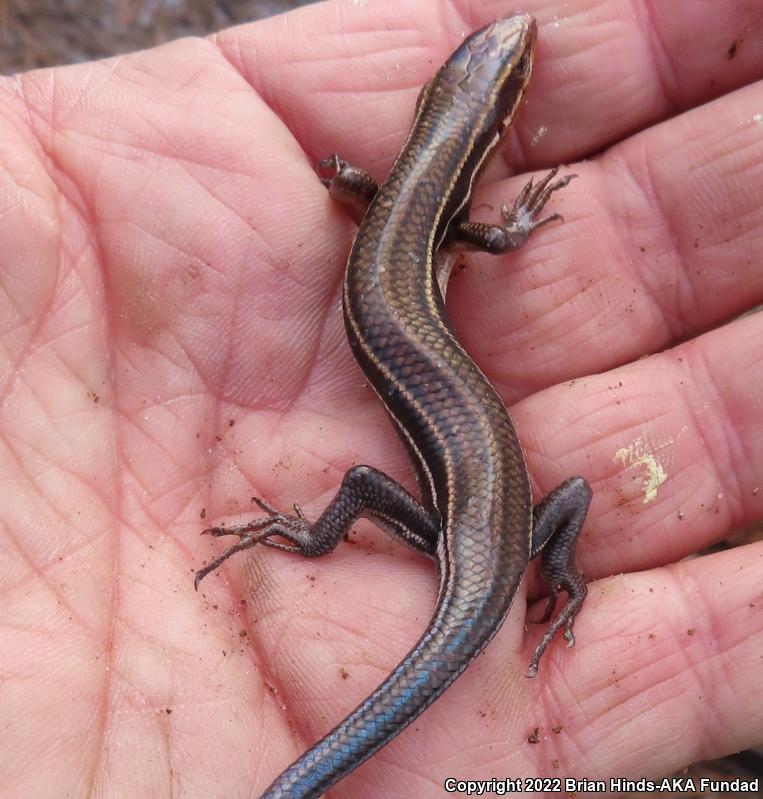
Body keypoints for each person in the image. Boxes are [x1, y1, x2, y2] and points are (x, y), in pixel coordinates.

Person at [1, 1, 761, 796]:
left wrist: (344, 180)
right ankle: (551, 571)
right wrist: (555, 567)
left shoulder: (400, 195)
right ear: (482, 127)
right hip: (498, 542)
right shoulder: (448, 216)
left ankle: (317, 539)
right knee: (506, 491)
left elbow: (366, 193)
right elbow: (485, 241)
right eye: (511, 81)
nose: (519, 55)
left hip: (463, 535)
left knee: (390, 485)